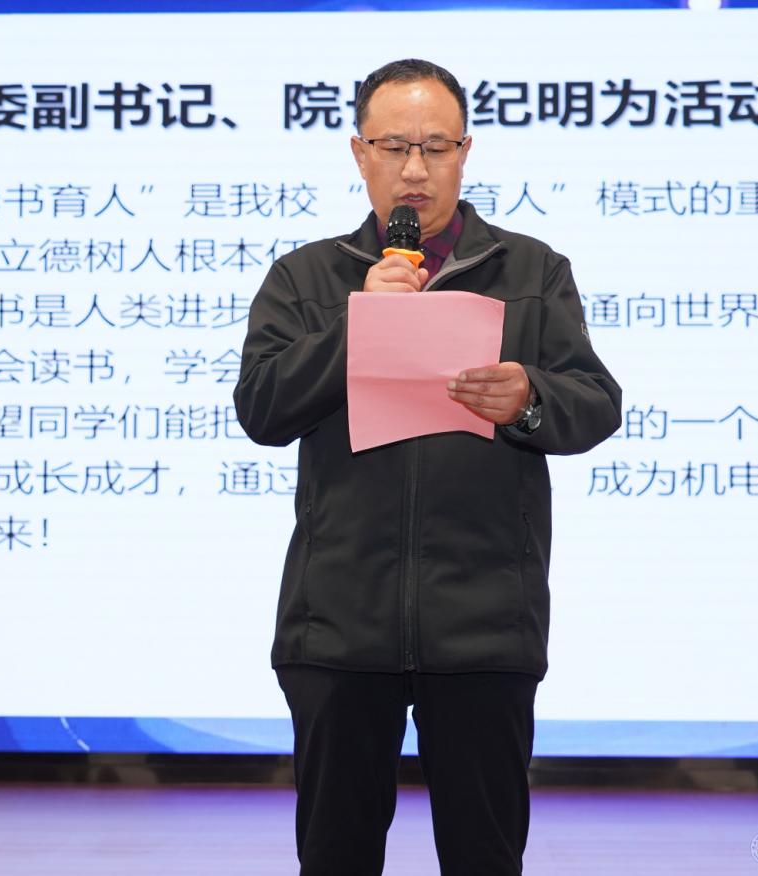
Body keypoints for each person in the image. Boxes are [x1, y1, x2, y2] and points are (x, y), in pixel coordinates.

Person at [233, 58, 621, 875]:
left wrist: (528, 398)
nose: (416, 169)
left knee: (484, 858)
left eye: (437, 147)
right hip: (338, 628)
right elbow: (262, 409)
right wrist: (358, 325)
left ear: (465, 152)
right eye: (395, 146)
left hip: (484, 623)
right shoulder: (305, 277)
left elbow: (595, 404)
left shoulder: (532, 272)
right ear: (359, 153)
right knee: (335, 857)